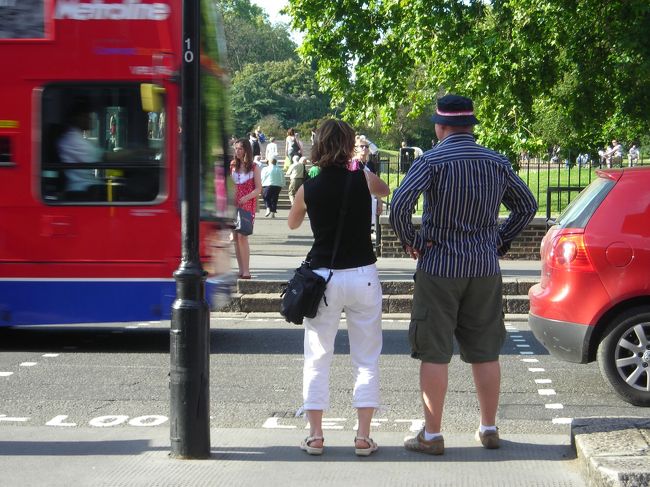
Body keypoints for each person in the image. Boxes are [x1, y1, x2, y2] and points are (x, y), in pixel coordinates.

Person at [390, 94, 537, 455]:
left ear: (441, 126)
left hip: (439, 266)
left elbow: (398, 206)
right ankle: (488, 428)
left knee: (434, 352)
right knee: (486, 351)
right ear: (471, 127)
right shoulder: (496, 161)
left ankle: (433, 434)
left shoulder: (432, 161)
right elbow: (527, 205)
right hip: (484, 267)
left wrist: (412, 241)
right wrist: (499, 241)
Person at [288, 118, 390, 457]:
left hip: (323, 278)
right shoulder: (361, 177)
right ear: (348, 144)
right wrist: (357, 167)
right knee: (366, 357)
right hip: (362, 273)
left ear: (318, 145)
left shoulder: (310, 186)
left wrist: (308, 190)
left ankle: (316, 435)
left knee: (317, 356)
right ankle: (362, 436)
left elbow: (293, 221)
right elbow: (385, 189)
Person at [57, 98, 105, 200]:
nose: (90, 119)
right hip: (81, 190)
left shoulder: (79, 138)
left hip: (88, 187)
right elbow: (103, 156)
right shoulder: (71, 139)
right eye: (86, 116)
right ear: (77, 118)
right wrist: (134, 153)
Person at [231, 138, 262, 279]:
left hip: (247, 205)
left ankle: (246, 270)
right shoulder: (232, 165)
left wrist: (247, 197)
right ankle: (240, 269)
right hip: (233, 204)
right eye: (236, 148)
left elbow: (258, 189)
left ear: (246, 150)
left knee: (243, 237)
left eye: (240, 149)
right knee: (236, 238)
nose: (237, 151)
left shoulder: (254, 167)